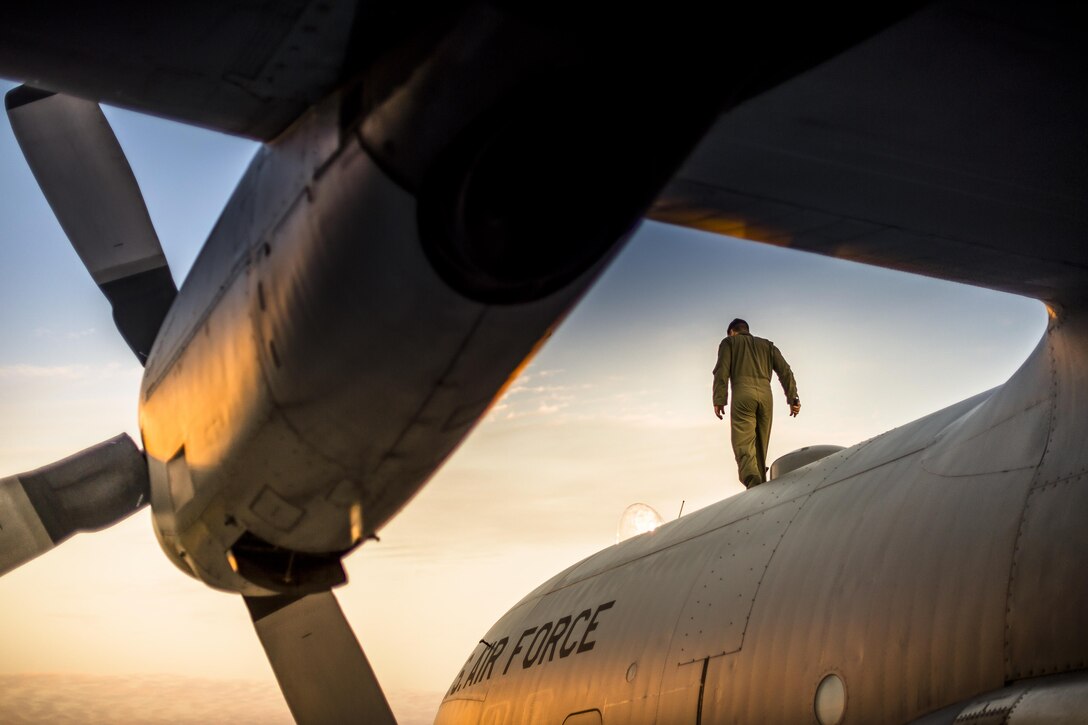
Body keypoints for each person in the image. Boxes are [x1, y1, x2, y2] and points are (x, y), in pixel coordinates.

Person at [712, 318, 800, 488]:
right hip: (766, 396)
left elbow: (721, 370)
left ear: (732, 332)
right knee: (761, 443)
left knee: (744, 443)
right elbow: (785, 371)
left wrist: (719, 399)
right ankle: (761, 481)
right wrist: (793, 398)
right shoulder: (767, 345)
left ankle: (753, 482)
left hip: (742, 393)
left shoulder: (729, 342)